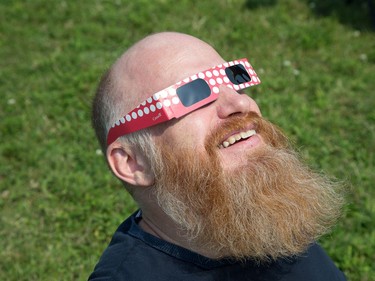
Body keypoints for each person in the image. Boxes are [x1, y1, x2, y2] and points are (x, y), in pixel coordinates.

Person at [88, 32, 346, 281]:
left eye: (234, 78)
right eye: (194, 95)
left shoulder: (269, 222)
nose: (241, 104)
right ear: (134, 163)